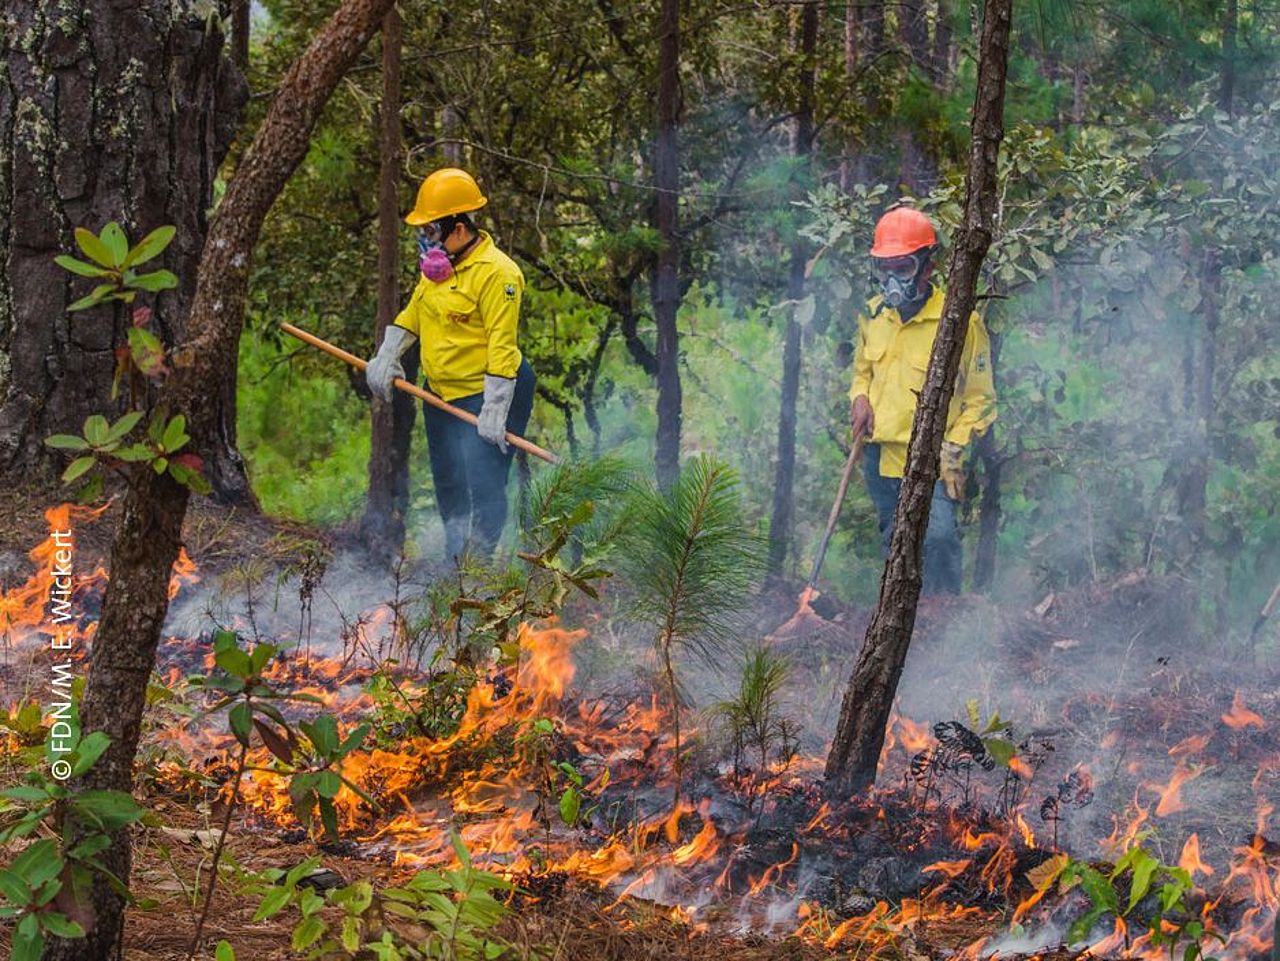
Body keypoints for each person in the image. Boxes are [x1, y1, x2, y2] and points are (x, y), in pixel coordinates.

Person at [366, 167, 535, 561]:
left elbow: (501, 343)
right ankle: (454, 560)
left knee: (486, 481)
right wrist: (388, 353)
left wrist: (496, 409)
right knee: (448, 481)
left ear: (458, 228)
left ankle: (478, 567)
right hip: (440, 393)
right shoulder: (437, 269)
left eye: (430, 230)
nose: (425, 239)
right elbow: (415, 313)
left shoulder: (500, 274)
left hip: (490, 390)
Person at [848, 206, 997, 594]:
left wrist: (953, 449)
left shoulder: (961, 322)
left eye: (904, 268)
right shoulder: (872, 315)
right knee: (895, 549)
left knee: (940, 541)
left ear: (928, 268)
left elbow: (982, 400)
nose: (893, 280)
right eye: (885, 269)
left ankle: (944, 628)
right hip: (883, 460)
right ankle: (899, 635)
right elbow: (862, 371)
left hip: (935, 463)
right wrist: (860, 397)